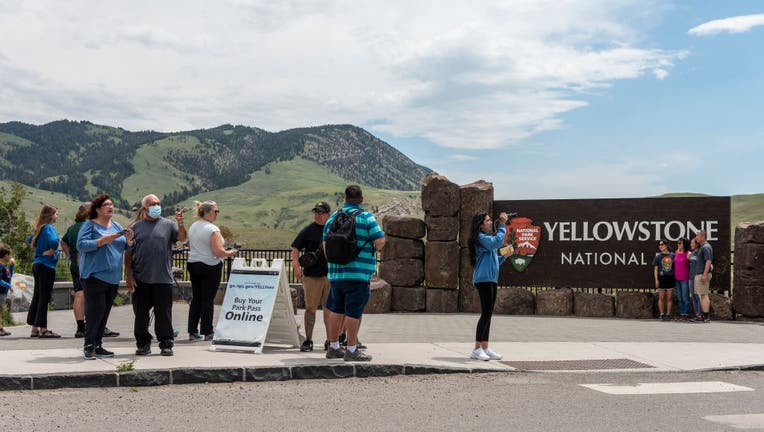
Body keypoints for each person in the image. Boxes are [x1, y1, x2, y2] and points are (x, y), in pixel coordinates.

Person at [323, 185, 385, 362]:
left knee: (336, 309)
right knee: (353, 312)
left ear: (345, 198)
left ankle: (333, 346)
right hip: (358, 274)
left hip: (336, 274)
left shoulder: (333, 218)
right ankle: (351, 349)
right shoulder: (366, 217)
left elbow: (325, 245)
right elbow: (379, 241)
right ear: (361, 199)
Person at [125, 194, 186, 356]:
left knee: (164, 314)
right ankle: (143, 344)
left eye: (158, 203)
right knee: (141, 315)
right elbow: (129, 252)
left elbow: (181, 238)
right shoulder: (136, 227)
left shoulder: (168, 225)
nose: (156, 206)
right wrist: (128, 274)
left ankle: (166, 343)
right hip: (141, 278)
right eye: (153, 204)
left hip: (163, 278)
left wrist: (180, 223)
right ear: (144, 208)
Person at [76, 194, 132, 360]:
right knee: (95, 311)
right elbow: (81, 245)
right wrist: (100, 241)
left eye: (112, 204)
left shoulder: (116, 225)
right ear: (98, 209)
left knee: (105, 312)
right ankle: (89, 345)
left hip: (113, 277)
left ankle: (98, 345)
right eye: (106, 204)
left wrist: (130, 241)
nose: (110, 207)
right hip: (94, 275)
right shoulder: (89, 225)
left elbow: (126, 248)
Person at [187, 201, 237, 341]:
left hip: (193, 263)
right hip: (210, 265)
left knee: (197, 298)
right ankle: (207, 331)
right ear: (207, 212)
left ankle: (192, 331)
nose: (217, 214)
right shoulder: (212, 229)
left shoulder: (193, 226)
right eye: (215, 211)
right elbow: (218, 252)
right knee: (208, 299)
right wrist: (231, 252)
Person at [468, 211, 510, 361]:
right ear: (480, 225)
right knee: (486, 313)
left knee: (489, 313)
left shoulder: (487, 239)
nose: (490, 221)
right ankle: (476, 349)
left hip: (491, 279)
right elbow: (496, 242)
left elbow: (494, 261)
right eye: (487, 220)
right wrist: (503, 224)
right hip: (484, 280)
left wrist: (504, 256)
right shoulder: (481, 238)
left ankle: (485, 347)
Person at [291, 201, 331, 352]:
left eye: (321, 213)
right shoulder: (308, 230)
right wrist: (296, 267)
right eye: (315, 212)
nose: (317, 215)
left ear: (328, 214)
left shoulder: (333, 229)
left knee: (330, 309)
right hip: (312, 276)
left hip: (330, 275)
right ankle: (308, 340)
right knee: (310, 308)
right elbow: (295, 248)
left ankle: (330, 340)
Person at [27, 204, 61, 338]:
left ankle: (34, 328)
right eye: (56, 214)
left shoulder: (39, 229)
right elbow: (54, 240)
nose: (57, 216)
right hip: (46, 266)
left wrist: (41, 250)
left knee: (38, 296)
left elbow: (30, 239)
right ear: (50, 215)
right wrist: (52, 250)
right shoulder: (49, 228)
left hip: (37, 264)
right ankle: (44, 329)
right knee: (44, 297)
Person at [693, 230, 714, 322]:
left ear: (703, 236)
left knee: (704, 295)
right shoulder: (703, 247)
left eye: (697, 236)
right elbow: (708, 261)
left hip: (702, 274)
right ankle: (704, 316)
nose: (696, 237)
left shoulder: (706, 247)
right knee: (702, 295)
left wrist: (704, 274)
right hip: (700, 273)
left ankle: (706, 316)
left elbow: (708, 261)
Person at [652, 239, 675, 321]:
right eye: (660, 245)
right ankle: (662, 314)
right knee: (661, 297)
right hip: (661, 278)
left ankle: (668, 314)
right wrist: (656, 280)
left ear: (666, 245)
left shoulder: (673, 255)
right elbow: (655, 269)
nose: (660, 246)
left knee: (669, 298)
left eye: (662, 244)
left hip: (670, 278)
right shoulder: (658, 256)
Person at [673, 238, 691, 321]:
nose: (678, 244)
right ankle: (682, 313)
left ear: (685, 244)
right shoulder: (676, 252)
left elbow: (695, 263)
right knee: (679, 298)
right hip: (677, 279)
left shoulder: (688, 253)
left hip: (685, 279)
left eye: (680, 243)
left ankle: (686, 314)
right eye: (677, 242)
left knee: (685, 297)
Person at [0, 244, 15, 336]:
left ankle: (0, 328)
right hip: (0, 292)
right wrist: (8, 285)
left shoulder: (4, 266)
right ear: (5, 255)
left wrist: (12, 266)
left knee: (0, 310)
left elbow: (9, 276)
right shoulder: (0, 266)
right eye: (10, 255)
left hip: (3, 292)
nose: (11, 257)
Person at [688, 238, 703, 321]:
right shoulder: (692, 253)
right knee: (693, 297)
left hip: (697, 277)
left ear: (697, 244)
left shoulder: (700, 252)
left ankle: (701, 314)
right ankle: (697, 314)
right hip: (690, 277)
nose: (691, 245)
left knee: (698, 296)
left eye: (692, 243)